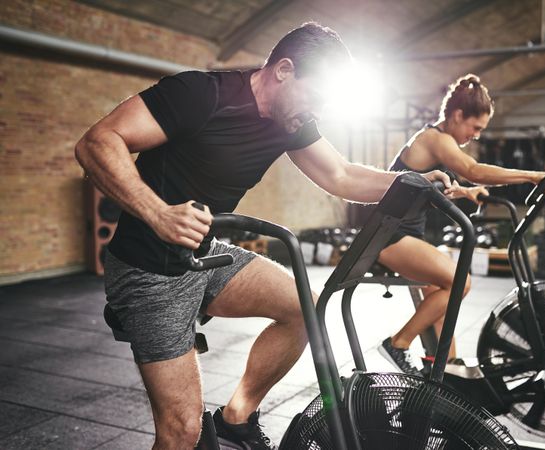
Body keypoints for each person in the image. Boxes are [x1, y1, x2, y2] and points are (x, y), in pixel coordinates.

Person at [75, 22, 466, 450]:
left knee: (304, 307)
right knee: (181, 431)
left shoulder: (291, 119)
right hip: (149, 270)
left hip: (203, 256)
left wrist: (412, 182)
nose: (314, 113)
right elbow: (97, 141)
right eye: (315, 97)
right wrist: (158, 213)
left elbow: (341, 175)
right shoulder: (201, 95)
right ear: (283, 70)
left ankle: (236, 418)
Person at [377, 74, 545, 376]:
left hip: (404, 234)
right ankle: (398, 343)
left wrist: (464, 191)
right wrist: (533, 176)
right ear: (458, 115)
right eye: (475, 128)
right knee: (460, 281)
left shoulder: (436, 142)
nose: (475, 135)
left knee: (441, 293)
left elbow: (434, 187)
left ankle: (445, 366)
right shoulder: (436, 139)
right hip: (386, 236)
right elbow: (472, 169)